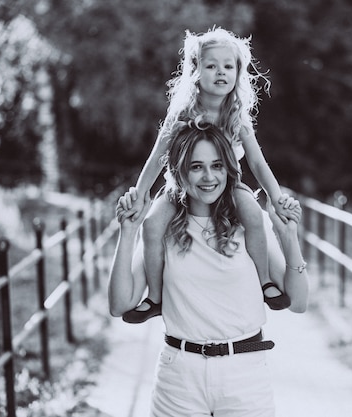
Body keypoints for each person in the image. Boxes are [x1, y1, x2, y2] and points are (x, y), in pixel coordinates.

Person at [108, 121, 308, 416]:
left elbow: (300, 302)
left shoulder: (250, 222)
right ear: (180, 171)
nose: (208, 177)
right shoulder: (162, 228)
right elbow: (119, 305)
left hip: (245, 376)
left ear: (228, 169)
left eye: (217, 166)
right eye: (196, 167)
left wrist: (290, 238)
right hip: (179, 377)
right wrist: (127, 232)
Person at [122, 27, 299, 322]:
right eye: (211, 65)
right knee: (151, 226)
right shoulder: (181, 113)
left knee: (255, 216)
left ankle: (265, 280)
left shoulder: (237, 115)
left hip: (228, 187)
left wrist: (276, 196)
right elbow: (157, 158)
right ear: (195, 72)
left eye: (228, 66)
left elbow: (256, 162)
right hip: (181, 187)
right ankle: (155, 296)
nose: (221, 72)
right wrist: (141, 194)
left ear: (237, 73)